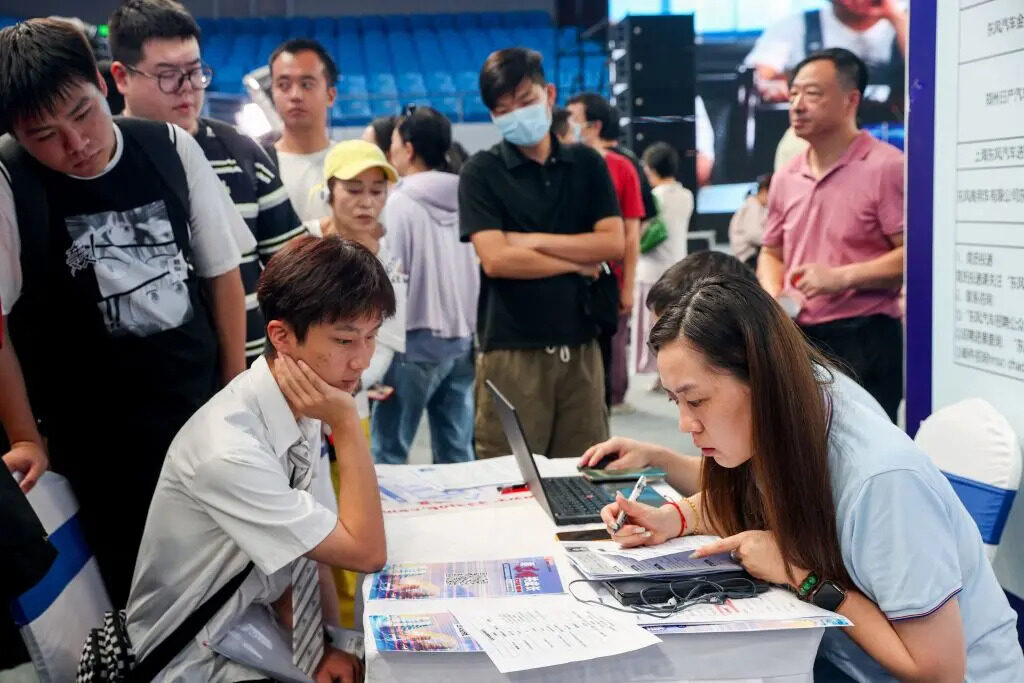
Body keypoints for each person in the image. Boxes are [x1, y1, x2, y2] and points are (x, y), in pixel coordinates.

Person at [597, 273, 1024, 682]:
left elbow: (938, 672)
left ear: (760, 380)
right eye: (675, 401)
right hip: (838, 655)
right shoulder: (788, 415)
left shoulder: (881, 480)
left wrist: (802, 575)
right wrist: (673, 518)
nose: (685, 424)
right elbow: (750, 503)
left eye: (696, 400)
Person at [0, 18, 252, 607]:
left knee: (226, 580)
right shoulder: (11, 180)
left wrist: (234, 388)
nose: (76, 143)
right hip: (96, 445)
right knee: (137, 596)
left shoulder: (167, 147)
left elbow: (221, 275)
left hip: (196, 415)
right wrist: (23, 436)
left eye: (83, 115)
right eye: (45, 135)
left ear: (101, 82)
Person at [126, 235, 391, 682]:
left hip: (254, 623)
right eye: (346, 340)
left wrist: (319, 648)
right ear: (282, 337)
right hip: (194, 656)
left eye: (371, 337)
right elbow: (366, 552)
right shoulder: (229, 450)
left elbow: (311, 546)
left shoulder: (301, 397)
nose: (362, 360)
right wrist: (346, 426)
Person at [109, 0, 305, 366]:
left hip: (252, 376)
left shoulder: (242, 151)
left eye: (195, 71)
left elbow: (293, 269)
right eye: (167, 75)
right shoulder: (101, 159)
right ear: (122, 77)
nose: (187, 88)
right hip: (155, 386)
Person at [459, 47, 624, 459]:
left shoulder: (587, 163)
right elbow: (496, 260)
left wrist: (528, 241)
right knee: (508, 478)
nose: (516, 113)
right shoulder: (481, 172)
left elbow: (612, 243)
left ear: (549, 94)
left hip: (582, 344)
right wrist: (580, 261)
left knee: (586, 475)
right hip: (512, 348)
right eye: (503, 108)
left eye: (525, 101)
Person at [757, 48, 904, 422]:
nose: (797, 104)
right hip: (799, 334)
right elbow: (771, 251)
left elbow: (913, 255)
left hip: (865, 335)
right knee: (802, 450)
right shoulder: (786, 176)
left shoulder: (886, 166)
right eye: (792, 94)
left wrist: (841, 277)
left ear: (851, 99)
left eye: (812, 93)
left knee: (861, 455)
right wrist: (774, 296)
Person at [372, 106, 478, 465]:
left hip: (411, 345)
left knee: (388, 452)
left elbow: (391, 276)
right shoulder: (468, 197)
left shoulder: (399, 203)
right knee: (457, 453)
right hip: (462, 343)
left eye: (396, 143)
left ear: (410, 149)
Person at [303, 139, 407, 429]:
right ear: (328, 191)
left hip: (349, 409)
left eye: (377, 191)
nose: (367, 202)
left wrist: (344, 382)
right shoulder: (301, 243)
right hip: (293, 402)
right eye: (353, 189)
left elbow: (386, 342)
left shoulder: (389, 263)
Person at [567, 92, 643, 411]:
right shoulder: (560, 166)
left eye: (573, 119)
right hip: (565, 279)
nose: (568, 126)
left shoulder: (622, 168)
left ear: (593, 126)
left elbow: (631, 234)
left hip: (607, 281)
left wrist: (627, 288)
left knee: (605, 357)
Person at [744, 0, 907, 105]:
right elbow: (753, 78)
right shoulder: (794, 26)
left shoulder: (908, 23)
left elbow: (927, 76)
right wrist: (770, 87)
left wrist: (896, 17)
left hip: (896, 135)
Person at [634, 142, 692, 376]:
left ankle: (651, 369)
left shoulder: (653, 197)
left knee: (650, 325)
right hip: (679, 268)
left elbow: (641, 231)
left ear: (649, 169)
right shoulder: (686, 195)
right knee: (676, 325)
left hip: (650, 269)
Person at [267, 38, 337, 222]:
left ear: (330, 95)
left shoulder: (350, 164)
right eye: (283, 85)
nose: (295, 95)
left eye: (306, 84)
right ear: (272, 92)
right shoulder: (259, 168)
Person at [729, 173, 771, 269]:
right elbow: (753, 234)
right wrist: (773, 241)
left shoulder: (758, 206)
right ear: (764, 191)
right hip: (748, 258)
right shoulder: (753, 206)